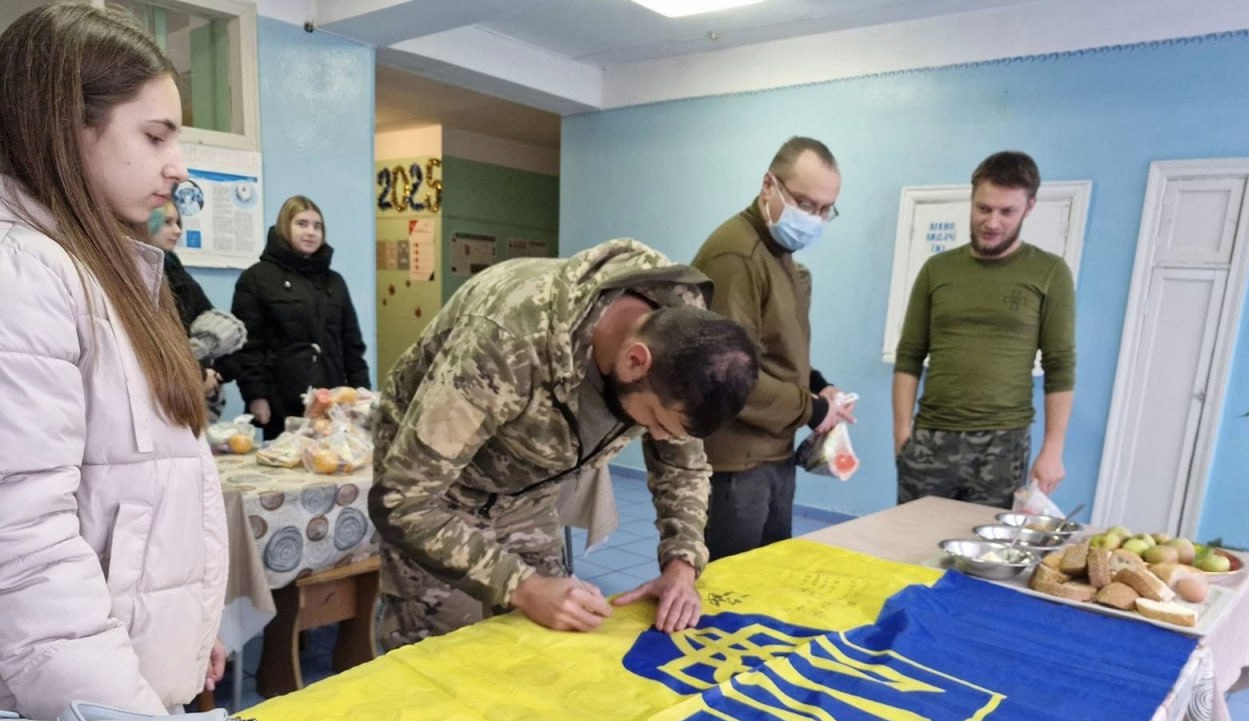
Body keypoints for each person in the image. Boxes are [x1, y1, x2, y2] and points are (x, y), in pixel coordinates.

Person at [0, 3, 227, 720]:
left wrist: (184, 627)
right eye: (155, 135)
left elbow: (133, 494)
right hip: (85, 716)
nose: (178, 166)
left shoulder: (106, 268)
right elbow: (25, 556)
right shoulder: (23, 273)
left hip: (115, 687)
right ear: (67, 128)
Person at [370, 238, 759, 645]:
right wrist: (522, 587)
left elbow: (681, 464)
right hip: (438, 494)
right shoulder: (507, 341)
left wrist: (682, 566)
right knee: (441, 650)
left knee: (549, 640)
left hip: (527, 492)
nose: (660, 438)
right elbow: (404, 500)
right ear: (635, 361)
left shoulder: (686, 344)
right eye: (656, 423)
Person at [692, 136, 856, 561]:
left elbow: (773, 349)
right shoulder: (737, 255)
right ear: (769, 185)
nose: (813, 218)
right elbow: (730, 375)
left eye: (825, 209)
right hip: (736, 464)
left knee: (768, 578)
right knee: (729, 589)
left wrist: (819, 386)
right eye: (804, 203)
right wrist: (813, 410)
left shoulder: (779, 252)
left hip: (773, 454)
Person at [892, 150, 1076, 508]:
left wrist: (1053, 449)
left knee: (984, 541)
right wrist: (901, 431)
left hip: (1003, 444)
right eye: (983, 208)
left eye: (1007, 212)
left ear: (1029, 207)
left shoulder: (1050, 272)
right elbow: (909, 355)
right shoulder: (937, 270)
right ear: (972, 199)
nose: (992, 222)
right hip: (931, 437)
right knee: (913, 539)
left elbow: (1061, 365)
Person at [232, 195, 370, 438]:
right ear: (285, 226)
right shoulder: (256, 279)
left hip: (332, 402)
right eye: (302, 224)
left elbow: (352, 345)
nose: (311, 232)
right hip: (281, 401)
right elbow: (248, 347)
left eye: (317, 226)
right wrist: (256, 396)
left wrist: (361, 394)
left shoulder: (334, 282)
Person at [147, 198, 246, 420]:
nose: (177, 230)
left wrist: (215, 375)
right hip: (163, 392)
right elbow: (157, 343)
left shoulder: (176, 270)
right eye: (167, 222)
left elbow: (216, 323)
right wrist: (199, 374)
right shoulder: (137, 276)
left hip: (193, 386)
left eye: (178, 222)